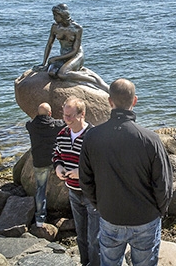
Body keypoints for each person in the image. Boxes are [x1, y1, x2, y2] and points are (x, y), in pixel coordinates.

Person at [79, 78, 173, 266]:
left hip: (110, 217)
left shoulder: (92, 137)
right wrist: (159, 211)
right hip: (145, 218)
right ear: (134, 100)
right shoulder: (151, 140)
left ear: (109, 101)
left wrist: (100, 205)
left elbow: (85, 180)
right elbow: (164, 184)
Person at [52, 97, 99, 266]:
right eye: (65, 115)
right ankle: (85, 263)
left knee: (94, 238)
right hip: (73, 192)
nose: (67, 119)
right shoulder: (62, 134)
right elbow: (56, 154)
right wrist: (58, 167)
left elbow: (102, 164)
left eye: (70, 116)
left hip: (92, 194)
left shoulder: (93, 136)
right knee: (81, 235)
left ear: (82, 114)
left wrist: (82, 173)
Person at [41, 3, 109, 92]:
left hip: (76, 55)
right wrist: (44, 63)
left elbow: (75, 50)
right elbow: (49, 44)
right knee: (51, 73)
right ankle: (72, 71)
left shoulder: (77, 28)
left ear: (63, 15)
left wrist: (56, 58)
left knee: (62, 74)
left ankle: (93, 80)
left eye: (56, 15)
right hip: (64, 55)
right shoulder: (55, 27)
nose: (54, 18)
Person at [26, 102, 63, 227]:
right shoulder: (56, 125)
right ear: (50, 113)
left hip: (39, 163)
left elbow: (29, 123)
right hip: (54, 162)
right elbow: (65, 124)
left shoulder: (31, 126)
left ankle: (40, 219)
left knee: (40, 189)